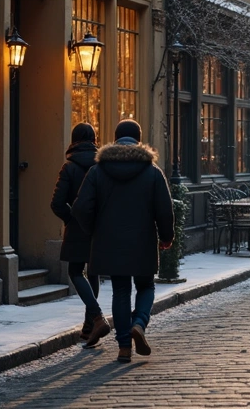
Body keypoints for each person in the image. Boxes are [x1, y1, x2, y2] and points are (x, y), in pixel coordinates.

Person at [72, 120, 175, 364]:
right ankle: (139, 323)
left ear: (115, 138)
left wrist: (94, 230)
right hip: (142, 242)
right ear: (138, 140)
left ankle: (124, 348)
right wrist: (166, 236)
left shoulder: (97, 171)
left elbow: (80, 208)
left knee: (120, 291)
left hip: (110, 242)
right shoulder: (152, 171)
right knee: (146, 286)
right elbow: (164, 209)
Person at [49, 123, 110, 347]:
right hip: (98, 226)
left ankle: (95, 317)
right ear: (94, 139)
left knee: (75, 271)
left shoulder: (69, 167)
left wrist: (71, 218)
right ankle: (88, 327)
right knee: (92, 272)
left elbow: (56, 203)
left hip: (77, 227)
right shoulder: (103, 167)